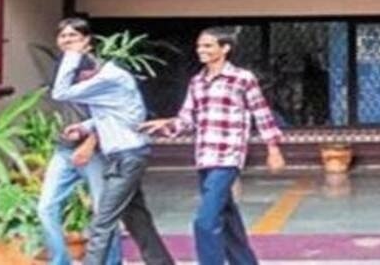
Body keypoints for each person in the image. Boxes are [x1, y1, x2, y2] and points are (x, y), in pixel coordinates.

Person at [141, 27, 285, 265]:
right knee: (227, 216)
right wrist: (167, 124)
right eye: (199, 46)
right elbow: (187, 118)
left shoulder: (242, 78)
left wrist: (273, 148)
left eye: (208, 46)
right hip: (204, 157)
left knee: (205, 221)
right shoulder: (197, 81)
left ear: (225, 48)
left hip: (228, 157)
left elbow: (261, 113)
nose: (201, 50)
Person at [51, 22, 175, 265]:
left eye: (80, 78)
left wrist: (73, 55)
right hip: (125, 155)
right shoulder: (109, 78)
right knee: (136, 218)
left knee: (103, 221)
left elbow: (60, 93)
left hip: (127, 157)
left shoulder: (110, 78)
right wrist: (85, 127)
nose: (80, 84)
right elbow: (114, 114)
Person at [37, 17, 123, 265]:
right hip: (64, 150)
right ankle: (60, 261)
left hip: (95, 152)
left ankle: (111, 262)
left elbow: (111, 111)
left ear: (87, 41)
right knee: (46, 208)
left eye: (73, 35)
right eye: (63, 35)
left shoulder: (97, 70)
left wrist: (90, 143)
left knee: (102, 212)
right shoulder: (62, 68)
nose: (67, 40)